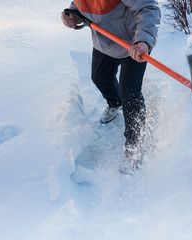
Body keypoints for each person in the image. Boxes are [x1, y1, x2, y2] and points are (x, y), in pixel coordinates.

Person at [61, 0, 161, 165]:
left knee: (130, 93)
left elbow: (148, 7)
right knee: (100, 77)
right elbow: (81, 4)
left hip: (134, 46)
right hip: (104, 43)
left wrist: (143, 40)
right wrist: (73, 15)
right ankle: (115, 103)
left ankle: (134, 146)